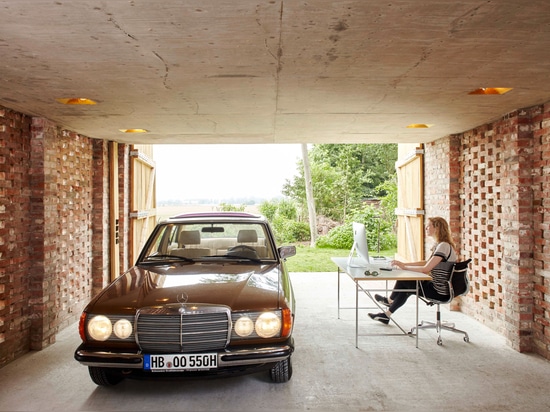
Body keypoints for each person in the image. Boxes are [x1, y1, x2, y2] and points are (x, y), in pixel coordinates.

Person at [368, 216, 457, 325]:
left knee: (406, 281)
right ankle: (386, 314)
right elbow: (426, 263)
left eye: (428, 226)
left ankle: (390, 302)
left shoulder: (443, 246)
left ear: (437, 228)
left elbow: (426, 269)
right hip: (438, 287)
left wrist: (404, 267)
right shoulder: (441, 245)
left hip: (439, 291)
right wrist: (404, 264)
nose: (426, 228)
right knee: (407, 286)